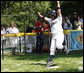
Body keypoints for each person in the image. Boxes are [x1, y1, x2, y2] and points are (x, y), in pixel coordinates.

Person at [37, 1, 66, 67]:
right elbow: (44, 17)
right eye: (50, 15)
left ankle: (64, 48)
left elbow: (59, 11)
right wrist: (39, 15)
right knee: (52, 49)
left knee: (58, 46)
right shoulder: (50, 20)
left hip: (59, 35)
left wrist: (58, 3)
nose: (50, 15)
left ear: (54, 15)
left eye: (52, 15)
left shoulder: (59, 19)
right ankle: (51, 60)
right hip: (53, 36)